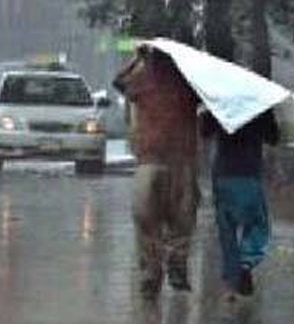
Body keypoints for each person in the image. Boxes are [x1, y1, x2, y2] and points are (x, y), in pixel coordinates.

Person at [113, 47, 202, 299]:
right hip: (176, 162)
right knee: (180, 220)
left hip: (158, 161)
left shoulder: (144, 80)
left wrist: (137, 59)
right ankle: (170, 268)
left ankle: (155, 274)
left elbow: (118, 81)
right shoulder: (188, 83)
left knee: (148, 222)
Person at [202, 110, 280, 299]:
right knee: (257, 223)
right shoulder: (258, 106)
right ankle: (246, 262)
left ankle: (230, 286)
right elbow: (274, 138)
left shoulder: (220, 104)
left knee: (226, 230)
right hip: (249, 173)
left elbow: (204, 131)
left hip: (223, 174)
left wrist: (209, 112)